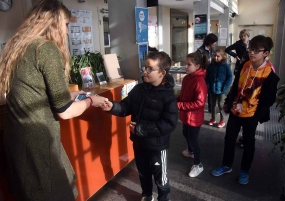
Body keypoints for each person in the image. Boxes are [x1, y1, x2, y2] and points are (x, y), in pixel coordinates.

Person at [0, 1, 107, 200]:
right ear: (54, 23)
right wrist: (92, 102)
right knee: (59, 192)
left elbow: (33, 90)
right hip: (38, 141)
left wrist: (70, 96)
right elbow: (65, 112)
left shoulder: (17, 46)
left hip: (17, 137)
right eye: (66, 25)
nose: (67, 32)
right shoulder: (46, 48)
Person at [101, 51, 178, 201]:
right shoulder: (138, 90)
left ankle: (164, 198)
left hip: (157, 147)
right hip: (139, 143)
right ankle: (147, 196)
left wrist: (140, 129)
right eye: (145, 67)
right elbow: (125, 107)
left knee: (160, 177)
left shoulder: (168, 97)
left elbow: (169, 124)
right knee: (143, 172)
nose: (145, 71)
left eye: (150, 69)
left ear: (162, 73)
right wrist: (111, 106)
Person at [211, 35, 280, 185]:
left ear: (266, 53)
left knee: (249, 143)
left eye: (256, 50)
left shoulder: (270, 74)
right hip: (236, 111)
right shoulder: (244, 65)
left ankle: (244, 170)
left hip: (252, 115)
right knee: (229, 139)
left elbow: (269, 99)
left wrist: (257, 114)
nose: (252, 53)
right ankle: (226, 165)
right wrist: (228, 102)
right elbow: (236, 86)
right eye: (251, 49)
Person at [177, 52, 208, 178]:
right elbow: (184, 96)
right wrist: (176, 100)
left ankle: (198, 164)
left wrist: (179, 105)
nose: (186, 66)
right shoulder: (187, 78)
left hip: (194, 117)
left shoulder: (199, 81)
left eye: (189, 64)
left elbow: (199, 103)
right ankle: (190, 151)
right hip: (186, 115)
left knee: (193, 140)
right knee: (186, 133)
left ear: (197, 66)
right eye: (185, 64)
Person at [206, 49, 232, 128]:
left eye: (218, 56)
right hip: (212, 89)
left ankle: (222, 120)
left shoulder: (225, 66)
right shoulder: (210, 66)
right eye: (215, 56)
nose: (216, 58)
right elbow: (207, 77)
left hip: (221, 90)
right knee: (212, 105)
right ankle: (213, 118)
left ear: (222, 57)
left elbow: (229, 77)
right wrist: (208, 85)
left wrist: (225, 87)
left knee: (221, 105)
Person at [196, 33, 218, 113]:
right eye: (214, 42)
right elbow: (198, 63)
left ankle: (210, 108)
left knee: (211, 92)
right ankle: (199, 106)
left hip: (211, 74)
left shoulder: (213, 49)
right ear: (210, 42)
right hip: (203, 74)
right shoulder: (200, 51)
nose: (215, 43)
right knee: (202, 91)